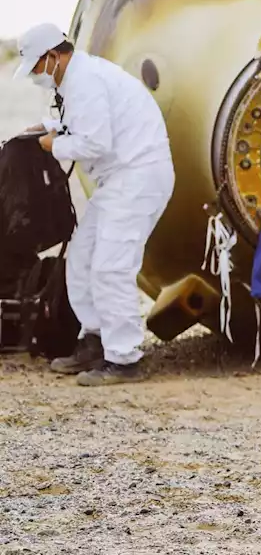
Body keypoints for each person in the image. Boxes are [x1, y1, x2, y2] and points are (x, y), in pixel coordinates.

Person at [11, 23, 174, 386]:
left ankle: (124, 358)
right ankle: (95, 339)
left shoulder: (85, 81)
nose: (37, 75)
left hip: (137, 176)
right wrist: (48, 124)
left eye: (38, 67)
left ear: (54, 56)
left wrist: (53, 145)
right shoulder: (79, 78)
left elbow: (95, 143)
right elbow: (84, 122)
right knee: (84, 256)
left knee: (111, 266)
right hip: (121, 179)